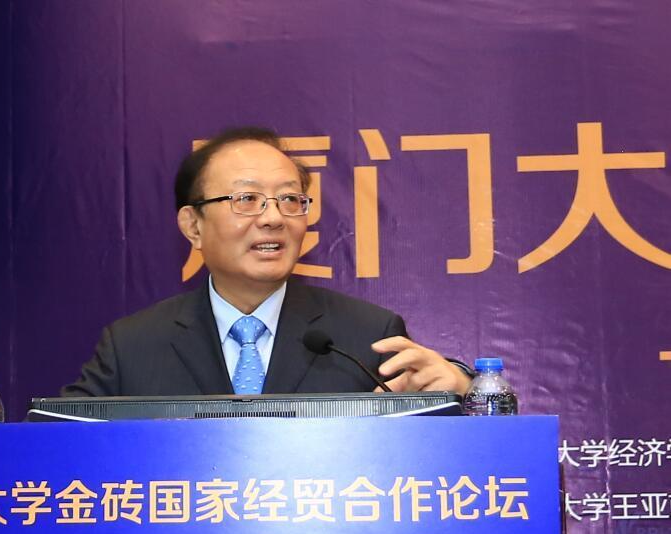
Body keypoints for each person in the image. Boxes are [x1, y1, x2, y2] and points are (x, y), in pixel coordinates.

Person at [63, 127, 471, 397]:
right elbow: (51, 445)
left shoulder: (366, 335)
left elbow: (427, 448)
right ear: (193, 226)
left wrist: (464, 389)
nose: (274, 218)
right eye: (247, 199)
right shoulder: (132, 346)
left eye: (290, 199)